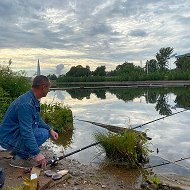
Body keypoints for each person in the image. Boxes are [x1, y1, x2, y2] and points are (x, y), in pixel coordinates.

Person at [0, 75, 58, 168]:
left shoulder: (33, 99)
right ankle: (18, 159)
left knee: (45, 132)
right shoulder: (27, 104)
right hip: (8, 138)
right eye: (48, 88)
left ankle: (18, 151)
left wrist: (50, 129)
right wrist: (37, 153)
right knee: (42, 134)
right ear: (43, 87)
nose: (49, 90)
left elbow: (37, 119)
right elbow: (26, 131)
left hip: (14, 134)